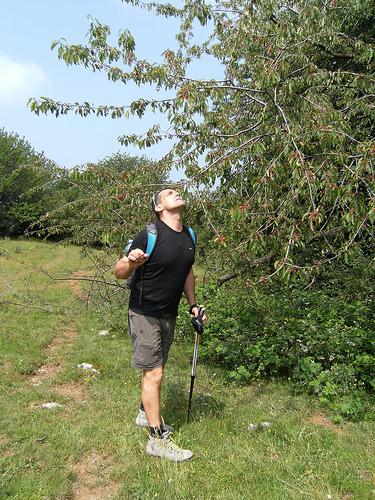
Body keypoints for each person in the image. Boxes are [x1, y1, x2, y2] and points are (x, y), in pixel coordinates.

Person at [113, 188, 206, 462]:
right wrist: (130, 263)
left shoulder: (189, 236)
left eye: (176, 191)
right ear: (158, 207)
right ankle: (156, 441)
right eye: (168, 193)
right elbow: (118, 271)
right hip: (145, 312)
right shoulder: (149, 234)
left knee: (158, 368)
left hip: (169, 313)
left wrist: (193, 305)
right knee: (154, 374)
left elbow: (187, 271)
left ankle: (145, 414)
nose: (176, 193)